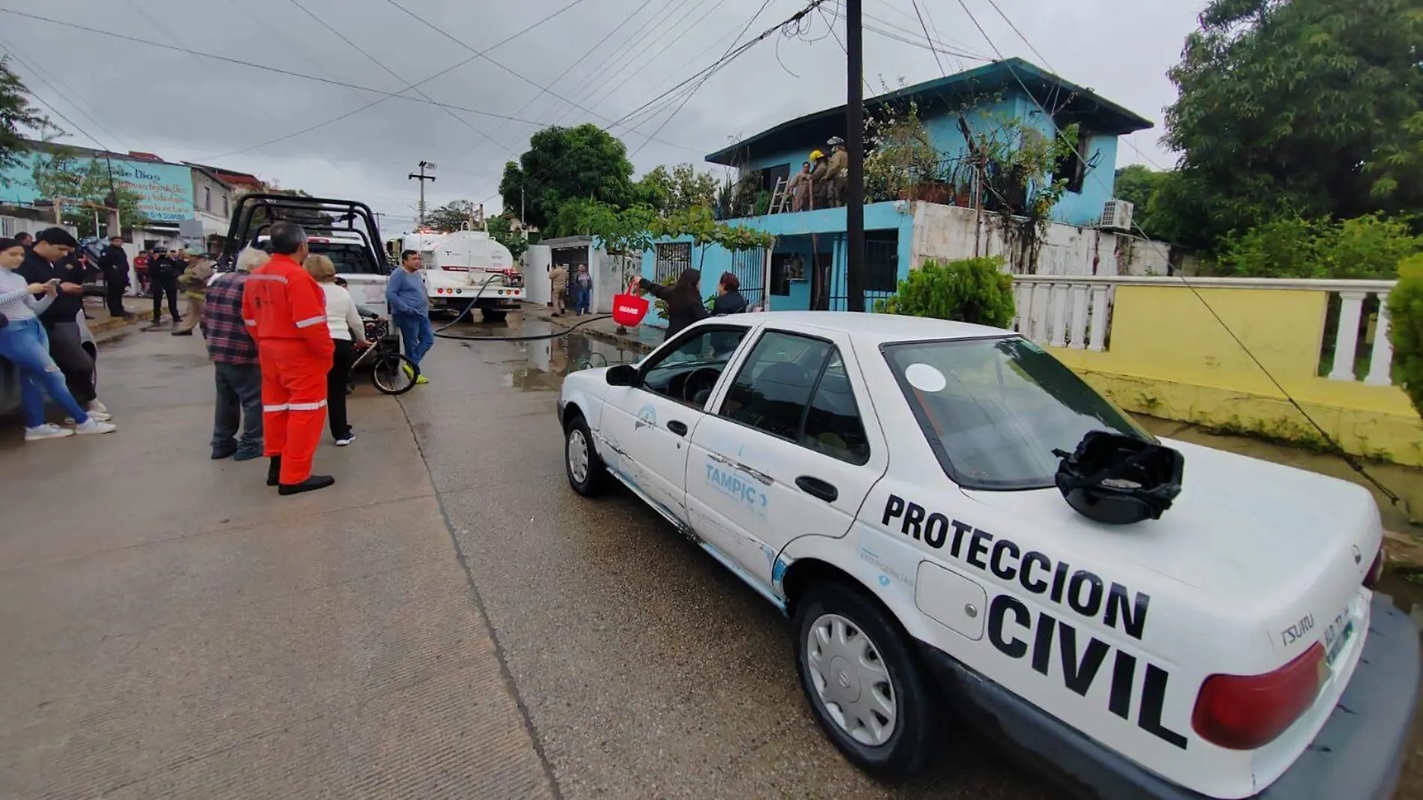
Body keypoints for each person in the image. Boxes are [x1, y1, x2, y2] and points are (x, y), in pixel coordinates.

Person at [242, 221, 336, 496]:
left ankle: (277, 467)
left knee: (276, 409)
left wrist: (265, 343)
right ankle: (294, 476)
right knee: (306, 412)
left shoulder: (257, 276)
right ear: (302, 246)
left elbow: (249, 318)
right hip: (299, 353)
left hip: (269, 351)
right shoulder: (296, 278)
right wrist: (326, 354)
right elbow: (312, 324)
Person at [0, 237, 117, 440]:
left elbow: (34, 308)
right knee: (54, 375)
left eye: (21, 254)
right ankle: (83, 421)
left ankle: (36, 425)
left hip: (34, 327)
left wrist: (50, 294)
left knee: (33, 379)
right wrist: (27, 290)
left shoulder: (17, 278)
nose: (18, 259)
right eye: (12, 254)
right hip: (13, 331)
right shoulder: (15, 283)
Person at [203, 246, 268, 461]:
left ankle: (221, 443)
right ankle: (251, 444)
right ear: (252, 267)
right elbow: (258, 320)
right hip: (245, 352)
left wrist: (210, 341)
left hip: (219, 350)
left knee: (226, 399)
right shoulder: (252, 286)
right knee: (253, 400)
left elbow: (205, 317)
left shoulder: (217, 281)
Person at [305, 253, 367, 446]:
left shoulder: (305, 291)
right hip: (340, 342)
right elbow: (355, 321)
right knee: (337, 389)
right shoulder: (342, 293)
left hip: (313, 342)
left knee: (308, 391)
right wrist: (361, 339)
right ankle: (341, 433)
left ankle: (305, 433)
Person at [386, 249, 432, 385]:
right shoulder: (399, 274)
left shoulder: (416, 274)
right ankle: (415, 372)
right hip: (407, 315)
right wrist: (405, 308)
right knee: (411, 344)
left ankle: (411, 365)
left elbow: (420, 289)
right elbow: (390, 294)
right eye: (413, 259)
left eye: (418, 259)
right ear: (404, 261)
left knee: (428, 339)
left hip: (422, 314)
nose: (417, 261)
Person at [637, 268, 707, 340]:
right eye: (699, 282)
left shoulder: (673, 293)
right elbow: (705, 319)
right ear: (694, 283)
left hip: (671, 340)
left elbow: (658, 290)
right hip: (687, 342)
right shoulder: (694, 301)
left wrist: (642, 281)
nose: (700, 284)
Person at [172, 245, 214, 336]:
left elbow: (197, 278)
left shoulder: (203, 265)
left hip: (201, 294)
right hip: (194, 293)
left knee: (207, 314)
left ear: (197, 257)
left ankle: (211, 331)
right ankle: (186, 328)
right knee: (191, 312)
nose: (188, 259)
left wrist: (183, 279)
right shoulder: (194, 265)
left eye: (190, 256)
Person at [98, 236, 132, 318]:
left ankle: (120, 309)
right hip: (113, 275)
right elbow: (102, 263)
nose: (119, 243)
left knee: (119, 293)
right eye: (116, 241)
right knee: (113, 293)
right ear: (112, 242)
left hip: (122, 275)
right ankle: (114, 311)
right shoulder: (107, 251)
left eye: (120, 241)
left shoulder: (121, 250)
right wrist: (112, 269)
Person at [149, 247, 181, 326]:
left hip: (170, 282)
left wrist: (172, 259)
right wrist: (154, 260)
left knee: (172, 300)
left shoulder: (169, 260)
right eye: (160, 253)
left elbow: (177, 267)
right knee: (157, 301)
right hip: (158, 282)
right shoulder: (153, 261)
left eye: (164, 252)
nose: (162, 254)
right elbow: (151, 271)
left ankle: (175, 316)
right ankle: (156, 317)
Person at [824, 137, 849, 207]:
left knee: (837, 198)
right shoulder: (847, 154)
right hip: (848, 178)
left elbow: (835, 166)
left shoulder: (837, 155)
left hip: (839, 179)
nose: (832, 148)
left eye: (832, 146)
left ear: (836, 146)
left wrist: (827, 176)